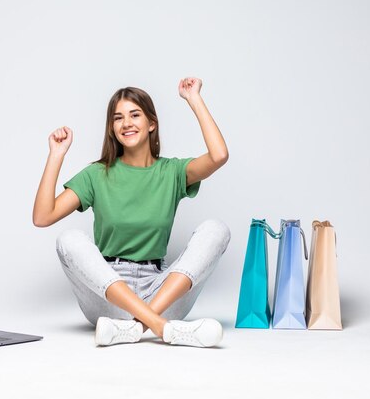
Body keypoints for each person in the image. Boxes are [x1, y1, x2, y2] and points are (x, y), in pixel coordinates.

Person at [32, 77, 231, 347]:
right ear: (112, 129)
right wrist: (56, 155)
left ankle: (135, 327)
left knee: (216, 230)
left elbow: (218, 156)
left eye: (135, 115)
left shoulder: (171, 172)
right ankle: (160, 327)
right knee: (68, 239)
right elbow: (43, 217)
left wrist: (193, 98)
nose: (126, 123)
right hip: (108, 297)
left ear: (151, 124)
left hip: (161, 295)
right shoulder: (96, 175)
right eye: (118, 118)